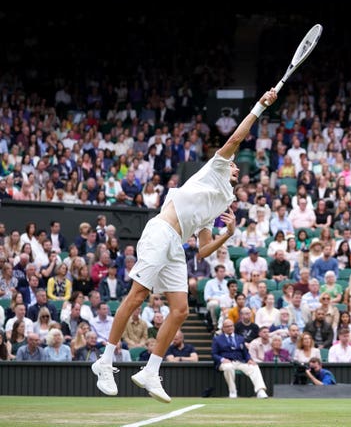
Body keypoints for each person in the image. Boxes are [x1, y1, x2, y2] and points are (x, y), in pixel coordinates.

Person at [91, 88, 278, 403]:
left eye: (236, 168)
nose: (235, 166)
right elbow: (235, 140)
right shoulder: (215, 170)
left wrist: (227, 236)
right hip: (160, 230)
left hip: (176, 246)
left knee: (180, 310)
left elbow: (203, 250)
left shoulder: (221, 201)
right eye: (233, 165)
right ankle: (105, 360)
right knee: (138, 294)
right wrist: (260, 106)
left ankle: (151, 371)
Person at [211, 318, 268, 399]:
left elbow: (245, 352)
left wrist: (249, 359)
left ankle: (260, 391)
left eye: (231, 326)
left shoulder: (240, 338)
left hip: (240, 362)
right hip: (226, 362)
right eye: (227, 326)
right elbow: (214, 354)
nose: (230, 328)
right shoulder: (217, 339)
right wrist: (222, 359)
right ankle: (233, 391)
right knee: (228, 367)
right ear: (223, 328)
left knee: (254, 367)